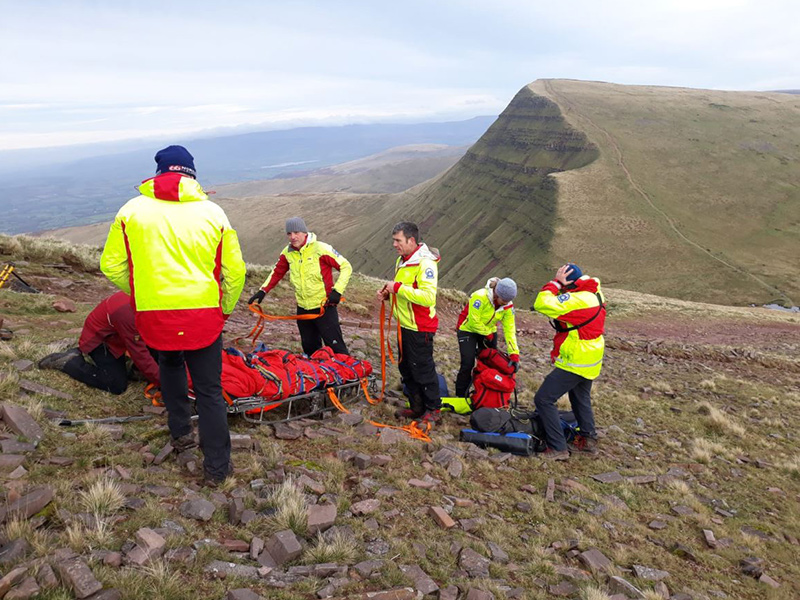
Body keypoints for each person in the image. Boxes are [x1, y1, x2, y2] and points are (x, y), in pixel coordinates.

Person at [100, 145, 246, 485]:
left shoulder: (131, 211)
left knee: (169, 368)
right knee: (209, 391)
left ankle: (181, 436)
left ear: (159, 173)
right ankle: (216, 469)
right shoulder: (213, 214)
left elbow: (111, 264)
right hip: (203, 316)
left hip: (155, 316)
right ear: (192, 174)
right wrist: (224, 308)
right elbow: (235, 272)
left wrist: (143, 294)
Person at [247, 217, 352, 356]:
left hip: (324, 307)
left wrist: (337, 291)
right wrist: (262, 291)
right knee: (310, 348)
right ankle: (318, 376)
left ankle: (348, 375)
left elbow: (346, 267)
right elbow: (277, 272)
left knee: (336, 348)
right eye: (289, 234)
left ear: (304, 232)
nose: (293, 237)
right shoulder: (287, 252)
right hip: (303, 308)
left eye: (296, 232)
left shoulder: (321, 248)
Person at [532, 264, 606, 460]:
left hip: (576, 357)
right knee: (580, 397)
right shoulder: (593, 293)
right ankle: (588, 441)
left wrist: (555, 283)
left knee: (544, 399)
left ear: (570, 285)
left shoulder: (577, 300)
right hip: (592, 356)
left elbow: (542, 303)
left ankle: (558, 447)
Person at [377, 222, 442, 424]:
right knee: (406, 368)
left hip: (420, 326)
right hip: (404, 325)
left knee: (423, 368)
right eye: (394, 240)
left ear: (411, 240)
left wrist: (396, 287)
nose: (395, 244)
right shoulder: (403, 260)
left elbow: (428, 297)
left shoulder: (426, 264)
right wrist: (389, 296)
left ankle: (433, 409)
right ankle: (416, 407)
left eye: (398, 240)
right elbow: (406, 291)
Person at [38, 291, 159, 394]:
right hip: (100, 340)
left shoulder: (151, 299)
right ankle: (69, 362)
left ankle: (136, 372)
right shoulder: (127, 313)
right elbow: (139, 353)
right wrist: (166, 384)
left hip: (120, 335)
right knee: (116, 385)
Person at [455, 277, 520, 397]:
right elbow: (473, 322)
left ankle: (483, 393)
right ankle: (460, 395)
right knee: (467, 364)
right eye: (504, 300)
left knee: (491, 363)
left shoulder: (508, 306)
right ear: (497, 293)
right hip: (467, 329)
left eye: (509, 300)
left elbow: (510, 330)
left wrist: (514, 353)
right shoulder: (480, 296)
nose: (506, 303)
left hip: (489, 331)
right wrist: (487, 333)